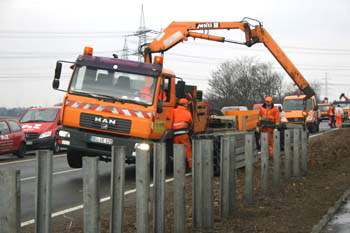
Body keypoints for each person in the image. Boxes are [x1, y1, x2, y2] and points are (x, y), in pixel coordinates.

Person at [173, 98, 193, 169]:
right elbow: (191, 123)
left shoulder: (173, 111)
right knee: (187, 150)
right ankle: (190, 166)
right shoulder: (187, 112)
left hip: (175, 135)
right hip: (183, 134)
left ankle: (178, 166)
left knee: (178, 150)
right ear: (185, 105)